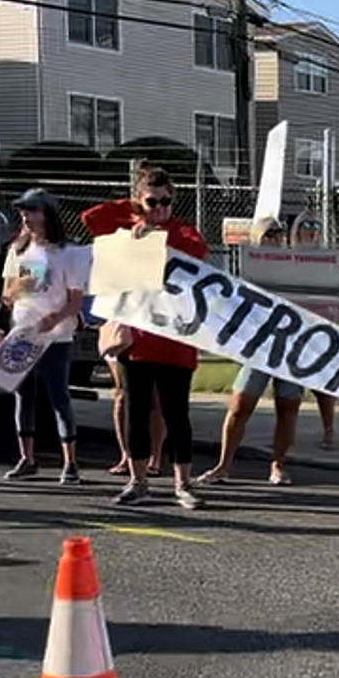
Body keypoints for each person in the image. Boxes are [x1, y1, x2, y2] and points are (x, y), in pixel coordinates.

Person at [82, 164, 209, 509]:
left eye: (166, 202)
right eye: (153, 202)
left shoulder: (183, 230)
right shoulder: (128, 227)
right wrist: (134, 213)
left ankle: (183, 483)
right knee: (136, 412)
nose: (161, 209)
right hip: (136, 341)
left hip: (175, 342)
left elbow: (196, 251)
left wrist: (156, 234)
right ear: (141, 201)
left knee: (176, 414)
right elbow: (91, 219)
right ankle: (138, 481)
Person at [197, 216, 317, 487]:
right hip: (258, 346)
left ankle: (279, 465)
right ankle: (223, 465)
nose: (273, 238)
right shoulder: (248, 270)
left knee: (288, 407)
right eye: (267, 234)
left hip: (289, 346)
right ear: (256, 239)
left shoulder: (293, 266)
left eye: (277, 233)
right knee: (240, 406)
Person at [0, 188, 89, 484]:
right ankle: (27, 457)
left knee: (58, 396)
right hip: (23, 332)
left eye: (32, 210)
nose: (26, 216)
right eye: (24, 211)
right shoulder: (19, 249)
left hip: (55, 336)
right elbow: (9, 291)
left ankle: (71, 462)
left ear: (47, 214)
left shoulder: (68, 253)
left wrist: (56, 317)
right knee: (23, 396)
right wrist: (13, 294)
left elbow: (75, 299)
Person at [289, 211, 336, 449]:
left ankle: (329, 430)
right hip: (293, 327)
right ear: (296, 230)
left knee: (323, 384)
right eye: (306, 225)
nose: (311, 229)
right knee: (290, 386)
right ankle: (288, 433)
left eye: (315, 225)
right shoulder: (287, 259)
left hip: (318, 327)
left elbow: (335, 290)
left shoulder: (325, 259)